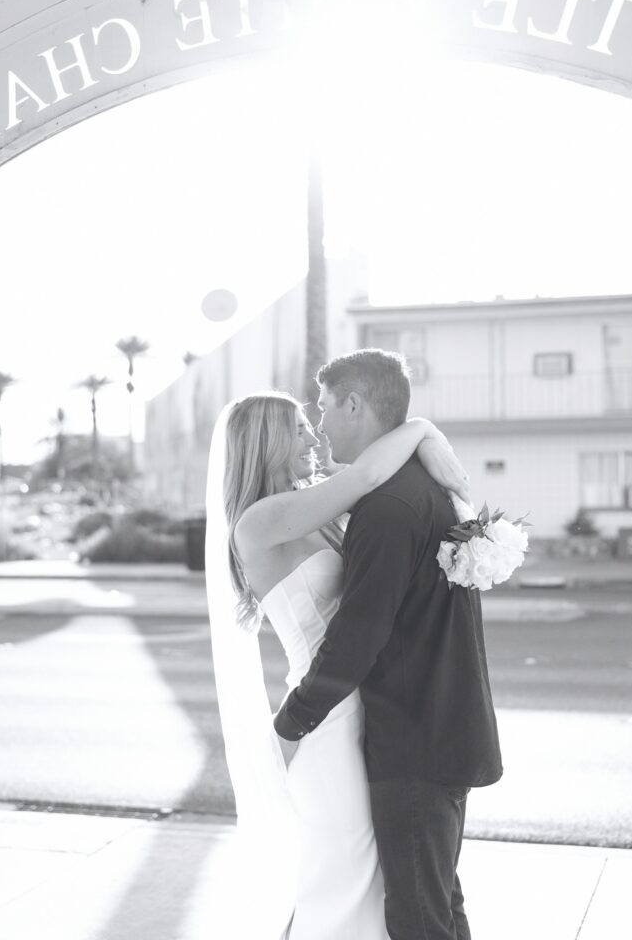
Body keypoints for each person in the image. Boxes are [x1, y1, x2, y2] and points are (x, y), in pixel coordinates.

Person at [204, 380, 471, 939]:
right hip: (324, 715)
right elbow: (369, 474)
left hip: (365, 703)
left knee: (378, 867)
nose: (312, 434)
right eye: (297, 427)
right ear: (267, 441)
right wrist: (421, 430)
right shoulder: (261, 520)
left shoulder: (315, 508)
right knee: (348, 866)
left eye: (309, 422)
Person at [274, 349, 503, 940]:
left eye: (324, 408)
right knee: (440, 903)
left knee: (419, 916)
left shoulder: (387, 507)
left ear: (354, 404)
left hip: (415, 739)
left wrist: (293, 720)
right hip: (447, 725)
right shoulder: (425, 485)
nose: (319, 425)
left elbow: (360, 634)